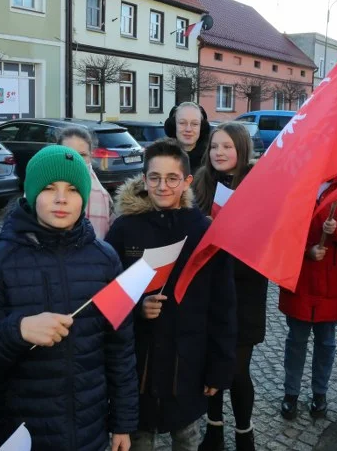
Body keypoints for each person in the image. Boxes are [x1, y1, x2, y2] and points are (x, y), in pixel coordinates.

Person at [0, 145, 138, 451]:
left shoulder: (106, 259)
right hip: (24, 434)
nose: (62, 198)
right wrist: (18, 331)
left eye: (72, 189)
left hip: (90, 433)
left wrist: (123, 422)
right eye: (49, 188)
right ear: (29, 194)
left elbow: (120, 349)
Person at [105, 138, 236, 451]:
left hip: (188, 366)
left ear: (187, 181)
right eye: (155, 178)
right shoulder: (124, 229)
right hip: (140, 369)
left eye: (172, 178)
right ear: (144, 179)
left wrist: (219, 368)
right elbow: (107, 294)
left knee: (188, 439)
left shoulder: (205, 232)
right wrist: (138, 307)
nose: (163, 186)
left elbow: (224, 305)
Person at [191, 123, 266, 451]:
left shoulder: (259, 185)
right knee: (212, 362)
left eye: (227, 147)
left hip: (245, 290)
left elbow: (265, 240)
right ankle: (214, 429)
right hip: (208, 291)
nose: (219, 153)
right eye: (214, 147)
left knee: (236, 369)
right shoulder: (200, 182)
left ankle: (244, 433)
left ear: (242, 150)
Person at [278, 175, 337, 420]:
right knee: (297, 340)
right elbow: (285, 228)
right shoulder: (298, 183)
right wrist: (308, 249)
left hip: (331, 281)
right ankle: (291, 393)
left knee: (326, 342)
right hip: (302, 277)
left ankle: (320, 393)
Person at [57, 126, 115, 239]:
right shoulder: (42, 188)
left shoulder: (104, 196)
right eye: (69, 154)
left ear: (90, 156)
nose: (77, 160)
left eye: (82, 155)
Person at [164, 102, 211, 175]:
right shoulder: (159, 157)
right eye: (182, 123)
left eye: (195, 124)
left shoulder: (212, 160)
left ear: (202, 127)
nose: (188, 129)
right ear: (173, 125)